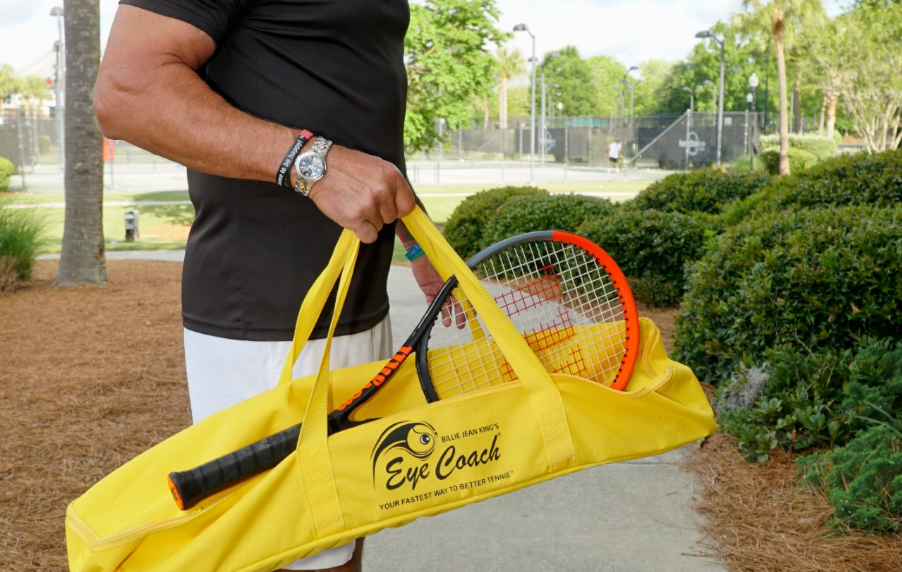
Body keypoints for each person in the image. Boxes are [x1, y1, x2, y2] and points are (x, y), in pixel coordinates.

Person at [94, 2, 447, 571]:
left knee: (338, 540)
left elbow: (341, 93)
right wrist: (316, 165)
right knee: (292, 553)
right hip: (273, 317)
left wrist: (410, 230)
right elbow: (128, 92)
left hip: (355, 300)